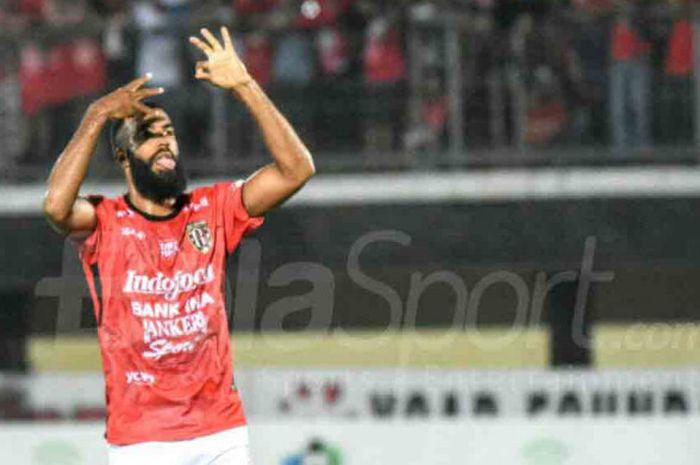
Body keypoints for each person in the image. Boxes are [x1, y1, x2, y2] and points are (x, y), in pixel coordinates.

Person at [42, 26, 315, 465]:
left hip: (219, 432)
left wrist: (245, 85)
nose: (166, 140)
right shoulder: (106, 221)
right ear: (123, 157)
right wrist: (96, 115)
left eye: (169, 132)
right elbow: (56, 208)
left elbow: (297, 170)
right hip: (141, 441)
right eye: (150, 134)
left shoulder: (213, 208)